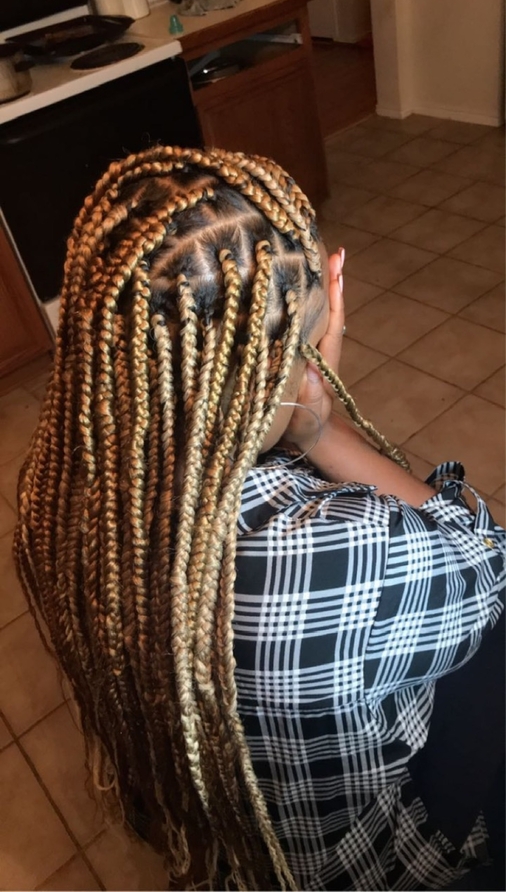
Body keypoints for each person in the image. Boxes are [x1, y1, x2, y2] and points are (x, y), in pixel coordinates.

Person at [14, 146, 504, 892]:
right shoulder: (339, 554)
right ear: (282, 370)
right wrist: (321, 430)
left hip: (221, 838)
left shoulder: (61, 495)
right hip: (356, 868)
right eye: (314, 344)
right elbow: (486, 559)